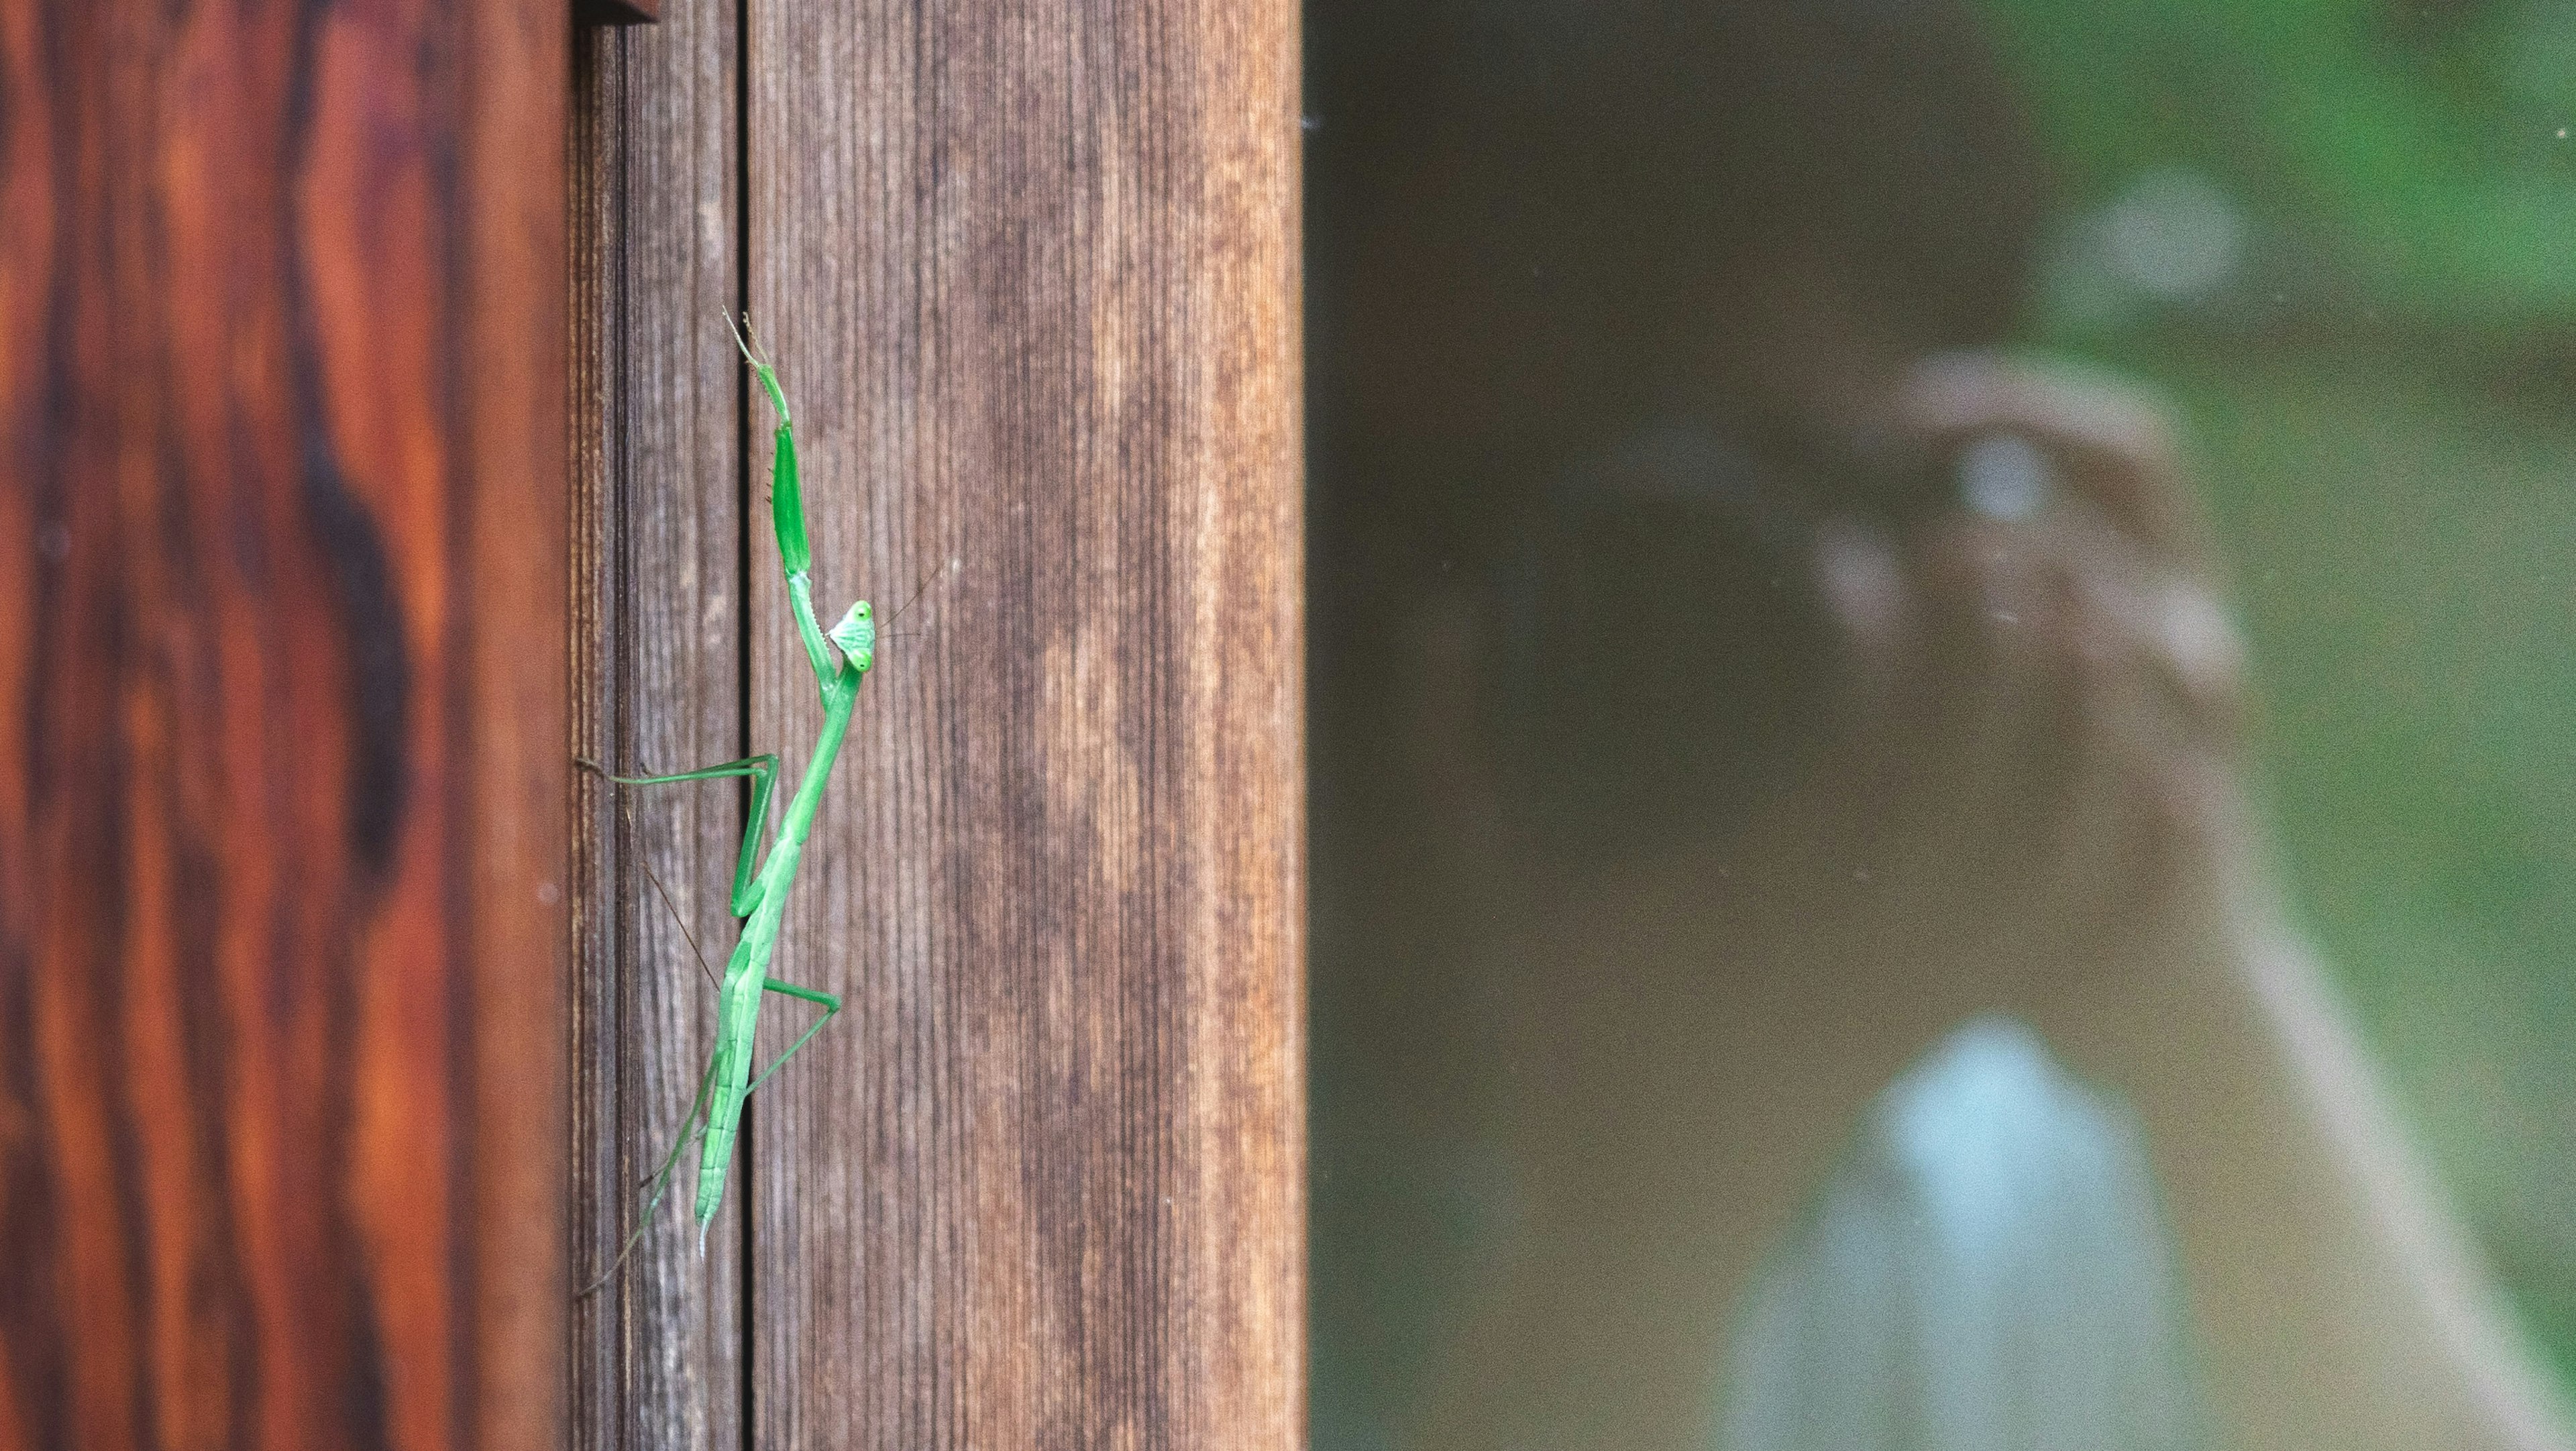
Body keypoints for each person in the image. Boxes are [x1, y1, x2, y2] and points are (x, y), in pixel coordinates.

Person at [1304, 1, 2576, 1447]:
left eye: (1712, 537)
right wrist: (1647, 1215)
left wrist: (2208, 965)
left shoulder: (2007, 1177)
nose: (1526, 645)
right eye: (1418, 529)